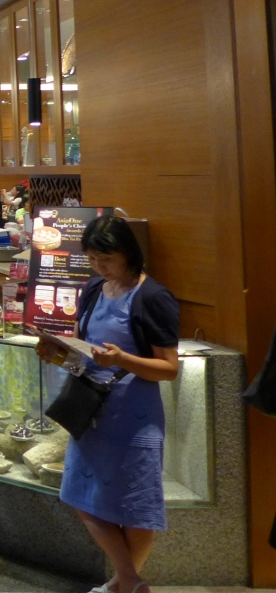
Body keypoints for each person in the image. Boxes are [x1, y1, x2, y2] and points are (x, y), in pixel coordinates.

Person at [39, 215, 180, 593]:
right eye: (92, 259)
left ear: (129, 254)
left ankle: (121, 584)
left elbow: (169, 369)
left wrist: (122, 359)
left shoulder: (153, 297)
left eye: (107, 259)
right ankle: (129, 581)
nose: (99, 267)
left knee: (135, 507)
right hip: (90, 410)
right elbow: (80, 358)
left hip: (134, 415)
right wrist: (56, 354)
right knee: (80, 496)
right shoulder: (92, 289)